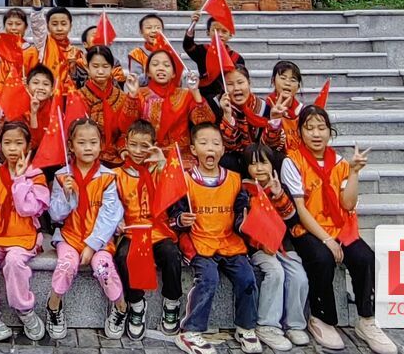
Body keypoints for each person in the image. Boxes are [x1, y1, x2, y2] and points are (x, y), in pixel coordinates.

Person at [282, 105, 396, 354]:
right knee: (321, 259)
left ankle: (366, 320)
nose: (316, 133)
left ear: (329, 132)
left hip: (340, 227)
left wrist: (355, 173)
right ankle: (321, 317)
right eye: (309, 128)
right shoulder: (292, 162)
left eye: (321, 128)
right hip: (308, 229)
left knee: (365, 257)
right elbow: (300, 209)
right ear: (300, 132)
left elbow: (348, 203)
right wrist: (326, 240)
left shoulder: (341, 163)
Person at [168, 122, 259, 354]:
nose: (211, 148)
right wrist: (181, 220)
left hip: (228, 240)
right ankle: (190, 331)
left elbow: (241, 216)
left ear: (222, 150)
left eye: (216, 143)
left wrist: (245, 219)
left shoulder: (235, 180)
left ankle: (245, 326)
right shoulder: (185, 180)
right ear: (193, 148)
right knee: (208, 279)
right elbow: (173, 215)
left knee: (247, 278)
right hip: (199, 239)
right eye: (204, 143)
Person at [46, 117, 127, 341]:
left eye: (93, 142)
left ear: (101, 144)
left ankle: (120, 306)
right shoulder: (62, 176)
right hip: (69, 237)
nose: (88, 147)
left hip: (99, 239)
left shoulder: (108, 177)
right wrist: (66, 194)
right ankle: (54, 305)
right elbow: (55, 215)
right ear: (71, 145)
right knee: (66, 264)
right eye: (81, 142)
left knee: (103, 267)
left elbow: (111, 214)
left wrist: (92, 245)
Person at [0, 121, 49, 342]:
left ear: (28, 145)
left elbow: (28, 209)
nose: (13, 148)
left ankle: (25, 310)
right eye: (7, 143)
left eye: (18, 143)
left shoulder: (36, 175)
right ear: (0, 146)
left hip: (22, 234)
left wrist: (21, 179)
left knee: (14, 262)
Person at [113, 120, 184, 339]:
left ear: (154, 145)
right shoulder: (117, 174)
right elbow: (111, 205)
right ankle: (136, 303)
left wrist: (163, 165)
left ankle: (171, 302)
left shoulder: (160, 169)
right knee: (124, 257)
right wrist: (117, 223)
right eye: (133, 145)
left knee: (172, 255)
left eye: (144, 146)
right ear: (125, 143)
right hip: (132, 231)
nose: (137, 151)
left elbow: (177, 193)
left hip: (157, 230)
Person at [241, 142, 309, 352]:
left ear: (272, 165)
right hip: (259, 248)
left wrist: (279, 195)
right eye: (253, 164)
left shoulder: (280, 187)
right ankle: (267, 325)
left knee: (299, 276)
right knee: (276, 273)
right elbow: (244, 225)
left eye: (263, 162)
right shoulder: (244, 189)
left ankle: (295, 324)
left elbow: (291, 219)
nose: (259, 168)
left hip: (283, 245)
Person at [135, 45, 214, 170]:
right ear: (148, 72)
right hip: (149, 154)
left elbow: (205, 122)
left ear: (173, 73)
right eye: (155, 64)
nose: (161, 68)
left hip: (181, 157)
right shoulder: (139, 94)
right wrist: (131, 97)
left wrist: (195, 91)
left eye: (166, 65)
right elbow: (126, 125)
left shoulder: (185, 94)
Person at [218, 66, 286, 173]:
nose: (236, 88)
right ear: (223, 87)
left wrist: (274, 121)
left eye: (240, 82)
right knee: (225, 161)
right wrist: (227, 115)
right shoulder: (219, 109)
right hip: (237, 161)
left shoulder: (264, 108)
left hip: (261, 158)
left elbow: (272, 145)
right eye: (230, 84)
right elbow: (229, 147)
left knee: (280, 158)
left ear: (249, 82)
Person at [78, 46, 140, 166]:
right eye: (95, 66)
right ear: (87, 68)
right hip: (88, 156)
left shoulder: (121, 96)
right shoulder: (79, 96)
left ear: (112, 68)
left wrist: (132, 97)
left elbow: (126, 130)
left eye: (105, 66)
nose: (100, 71)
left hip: (117, 155)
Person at [183, 13, 244, 107]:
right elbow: (188, 46)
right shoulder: (202, 51)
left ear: (230, 35)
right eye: (215, 30)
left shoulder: (237, 58)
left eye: (224, 31)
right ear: (208, 32)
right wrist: (193, 24)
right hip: (204, 96)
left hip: (227, 98)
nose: (219, 35)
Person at [31, 3, 86, 94]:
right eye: (55, 24)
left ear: (70, 27)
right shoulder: (44, 44)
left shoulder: (77, 53)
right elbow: (37, 24)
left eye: (63, 24)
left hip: (69, 97)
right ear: (48, 27)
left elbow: (82, 82)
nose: (59, 28)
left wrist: (73, 70)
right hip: (47, 95)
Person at [0, 7, 40, 91]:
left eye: (18, 24)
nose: (13, 28)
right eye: (10, 24)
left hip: (19, 95)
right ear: (4, 26)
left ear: (25, 27)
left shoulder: (31, 52)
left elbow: (34, 78)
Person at [265, 62, 302, 154]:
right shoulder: (265, 107)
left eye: (293, 80)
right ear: (273, 81)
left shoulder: (302, 111)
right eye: (283, 78)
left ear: (298, 87)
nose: (287, 83)